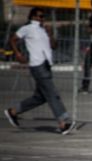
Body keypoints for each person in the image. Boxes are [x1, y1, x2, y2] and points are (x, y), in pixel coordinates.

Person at [4, 7, 76, 135]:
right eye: (40, 16)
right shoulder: (27, 28)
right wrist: (18, 53)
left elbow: (54, 46)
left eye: (43, 16)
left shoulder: (44, 30)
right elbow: (13, 39)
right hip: (37, 65)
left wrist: (50, 35)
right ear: (33, 17)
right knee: (52, 93)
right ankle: (63, 123)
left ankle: (13, 111)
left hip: (46, 64)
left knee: (40, 97)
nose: (42, 18)